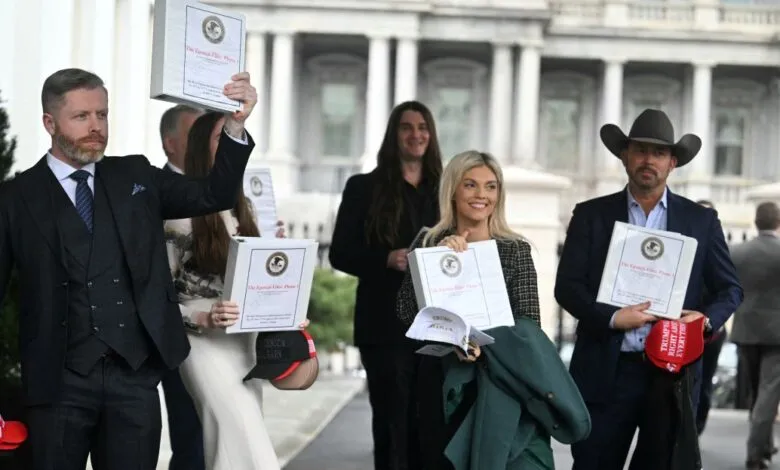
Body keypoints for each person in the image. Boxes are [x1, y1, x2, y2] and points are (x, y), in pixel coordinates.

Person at [0, 67, 257, 470]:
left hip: (134, 379)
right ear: (50, 123)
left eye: (101, 114)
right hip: (56, 384)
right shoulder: (15, 198)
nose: (96, 126)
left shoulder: (135, 175)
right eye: (81, 116)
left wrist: (235, 126)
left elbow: (215, 194)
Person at [554, 108, 743, 470]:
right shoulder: (591, 215)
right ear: (625, 156)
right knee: (594, 463)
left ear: (673, 162)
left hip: (671, 373)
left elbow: (730, 289)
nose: (648, 160)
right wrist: (613, 317)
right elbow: (567, 287)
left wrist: (704, 321)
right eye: (640, 150)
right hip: (607, 371)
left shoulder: (700, 220)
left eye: (658, 153)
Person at [394, 150, 546, 469]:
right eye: (470, 185)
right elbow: (406, 312)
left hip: (497, 381)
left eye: (491, 186)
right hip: (439, 379)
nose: (481, 195)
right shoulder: (428, 241)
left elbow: (529, 325)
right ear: (453, 190)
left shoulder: (515, 250)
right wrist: (437, 263)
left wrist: (479, 347)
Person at [164, 110, 297, 469]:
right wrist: (202, 317)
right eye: (220, 138)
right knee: (244, 441)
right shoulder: (177, 212)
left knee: (236, 443)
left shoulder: (244, 206)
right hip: (201, 344)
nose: (230, 145)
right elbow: (158, 298)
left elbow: (255, 280)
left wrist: (284, 296)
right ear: (199, 148)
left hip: (243, 340)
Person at [329, 101, 443, 470]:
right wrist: (386, 259)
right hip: (384, 325)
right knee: (392, 425)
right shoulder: (363, 188)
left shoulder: (446, 190)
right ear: (394, 135)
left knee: (431, 426)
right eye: (407, 127)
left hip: (438, 324)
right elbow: (339, 254)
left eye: (423, 127)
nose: (416, 135)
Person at [157, 103, 206, 470]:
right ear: (170, 143)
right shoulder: (153, 194)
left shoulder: (218, 189)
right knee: (192, 440)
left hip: (226, 331)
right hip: (180, 332)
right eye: (195, 136)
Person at [730, 201, 780, 470]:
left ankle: (765, 444)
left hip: (745, 330)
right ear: (778, 222)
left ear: (756, 222)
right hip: (777, 335)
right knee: (768, 394)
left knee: (756, 392)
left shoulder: (737, 252)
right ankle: (755, 453)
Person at [693, 198, 728, 436]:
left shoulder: (720, 251)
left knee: (704, 381)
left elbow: (728, 290)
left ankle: (696, 429)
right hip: (680, 327)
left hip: (710, 330)